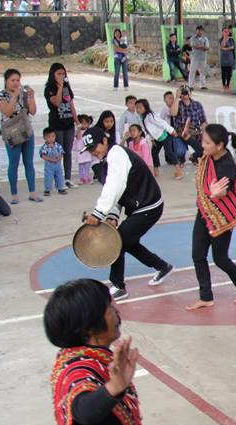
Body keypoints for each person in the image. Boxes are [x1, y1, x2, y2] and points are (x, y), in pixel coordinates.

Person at [45, 279, 159, 425]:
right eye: (109, 307)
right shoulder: (74, 367)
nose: (116, 310)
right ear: (89, 328)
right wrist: (114, 388)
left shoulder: (95, 357)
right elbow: (84, 410)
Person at [81, 126, 173, 300]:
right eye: (91, 150)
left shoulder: (116, 155)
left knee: (118, 241)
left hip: (149, 206)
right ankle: (162, 266)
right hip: (140, 206)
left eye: (95, 148)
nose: (94, 152)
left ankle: (118, 286)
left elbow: (114, 188)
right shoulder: (108, 159)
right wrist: (113, 216)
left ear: (105, 141)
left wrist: (98, 214)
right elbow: (118, 193)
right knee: (127, 242)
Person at [187, 124, 236, 310]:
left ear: (219, 145)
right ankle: (206, 297)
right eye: (203, 141)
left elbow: (224, 192)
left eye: (207, 142)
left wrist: (215, 193)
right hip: (205, 213)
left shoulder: (227, 165)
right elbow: (198, 149)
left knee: (220, 259)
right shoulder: (210, 155)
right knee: (198, 255)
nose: (203, 145)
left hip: (222, 217)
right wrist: (185, 137)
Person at [0, 68, 40, 204]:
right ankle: (14, 195)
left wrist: (31, 96)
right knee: (13, 164)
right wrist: (15, 96)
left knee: (29, 163)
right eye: (12, 80)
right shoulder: (1, 96)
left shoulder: (24, 93)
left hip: (26, 131)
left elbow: (32, 111)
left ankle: (32, 192)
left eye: (18, 80)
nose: (16, 83)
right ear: (6, 81)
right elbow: (8, 112)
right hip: (12, 134)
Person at [44, 62, 78, 191]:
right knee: (57, 152)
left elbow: (71, 105)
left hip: (68, 124)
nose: (62, 76)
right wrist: (59, 87)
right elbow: (57, 102)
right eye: (59, 73)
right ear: (53, 74)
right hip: (57, 124)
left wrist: (77, 121)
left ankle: (67, 178)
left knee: (68, 152)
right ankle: (58, 180)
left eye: (63, 73)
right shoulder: (50, 88)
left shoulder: (67, 87)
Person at [136, 98, 178, 179]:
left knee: (169, 152)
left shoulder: (150, 116)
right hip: (156, 139)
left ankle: (178, 170)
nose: (138, 109)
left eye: (140, 107)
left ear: (145, 107)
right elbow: (146, 130)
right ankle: (156, 171)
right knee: (154, 153)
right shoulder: (142, 118)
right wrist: (151, 138)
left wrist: (171, 130)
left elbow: (162, 123)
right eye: (136, 107)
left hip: (165, 136)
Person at [172, 86, 207, 164]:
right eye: (183, 92)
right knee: (199, 149)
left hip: (195, 131)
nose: (185, 93)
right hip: (182, 132)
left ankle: (194, 156)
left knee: (207, 147)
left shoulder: (197, 104)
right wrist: (177, 97)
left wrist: (205, 134)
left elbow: (203, 121)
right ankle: (194, 156)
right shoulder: (178, 104)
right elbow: (173, 113)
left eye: (186, 91)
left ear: (190, 93)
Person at [40, 127, 66, 196]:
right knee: (48, 177)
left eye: (53, 136)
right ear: (44, 137)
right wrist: (51, 159)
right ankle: (47, 189)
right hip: (49, 165)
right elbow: (43, 155)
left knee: (59, 176)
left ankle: (60, 188)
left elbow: (62, 152)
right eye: (48, 137)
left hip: (57, 165)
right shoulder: (44, 147)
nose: (51, 138)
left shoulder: (58, 145)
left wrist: (59, 158)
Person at [74, 115, 94, 185]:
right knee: (81, 165)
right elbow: (77, 136)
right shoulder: (79, 131)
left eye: (86, 123)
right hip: (80, 150)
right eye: (82, 123)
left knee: (87, 165)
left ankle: (87, 177)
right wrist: (78, 128)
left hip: (87, 150)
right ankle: (82, 178)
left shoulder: (89, 131)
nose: (84, 125)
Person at [190, 26, 210, 90]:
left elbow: (207, 48)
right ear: (196, 31)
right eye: (198, 31)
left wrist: (200, 47)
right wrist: (202, 47)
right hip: (195, 57)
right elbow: (193, 46)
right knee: (192, 71)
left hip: (203, 58)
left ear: (203, 31)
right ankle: (190, 85)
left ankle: (202, 85)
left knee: (202, 72)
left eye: (201, 31)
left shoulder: (205, 38)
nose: (200, 32)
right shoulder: (193, 38)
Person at [219, 27, 235, 94]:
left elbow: (232, 47)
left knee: (229, 73)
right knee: (223, 73)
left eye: (227, 31)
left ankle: (228, 85)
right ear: (222, 32)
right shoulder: (221, 39)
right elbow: (221, 46)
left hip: (230, 58)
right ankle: (223, 85)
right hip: (223, 58)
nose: (226, 33)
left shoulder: (231, 40)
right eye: (225, 31)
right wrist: (225, 39)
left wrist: (224, 48)